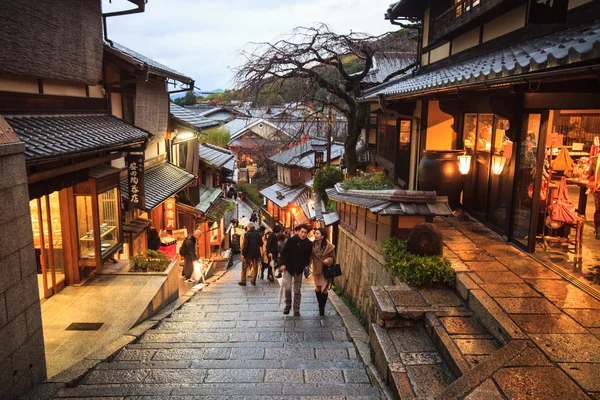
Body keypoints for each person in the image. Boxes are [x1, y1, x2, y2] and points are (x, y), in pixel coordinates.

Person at [278, 224, 313, 316]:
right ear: (298, 231)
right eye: (302, 232)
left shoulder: (309, 244)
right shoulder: (291, 240)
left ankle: (296, 309)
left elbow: (309, 256)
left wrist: (306, 265)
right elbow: (284, 252)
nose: (303, 234)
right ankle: (288, 305)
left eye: (305, 233)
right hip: (288, 267)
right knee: (288, 288)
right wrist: (282, 264)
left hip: (299, 269)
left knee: (297, 290)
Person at [311, 228, 336, 316]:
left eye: (317, 234)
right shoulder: (312, 245)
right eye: (315, 234)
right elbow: (309, 257)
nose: (315, 235)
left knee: (324, 289)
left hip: (325, 270)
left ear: (322, 236)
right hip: (317, 270)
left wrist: (328, 261)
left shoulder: (329, 246)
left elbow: (333, 258)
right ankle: (320, 305)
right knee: (318, 288)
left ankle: (322, 308)